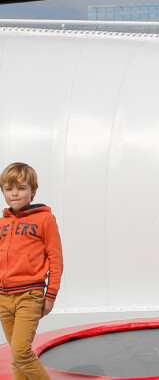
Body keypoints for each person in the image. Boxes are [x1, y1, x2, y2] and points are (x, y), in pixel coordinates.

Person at [0, 162, 63, 380]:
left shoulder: (44, 219)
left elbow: (55, 259)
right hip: (3, 297)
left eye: (21, 188)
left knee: (20, 353)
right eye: (8, 189)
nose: (14, 193)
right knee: (15, 356)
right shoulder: (2, 223)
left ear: (33, 191)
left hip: (29, 295)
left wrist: (50, 296)